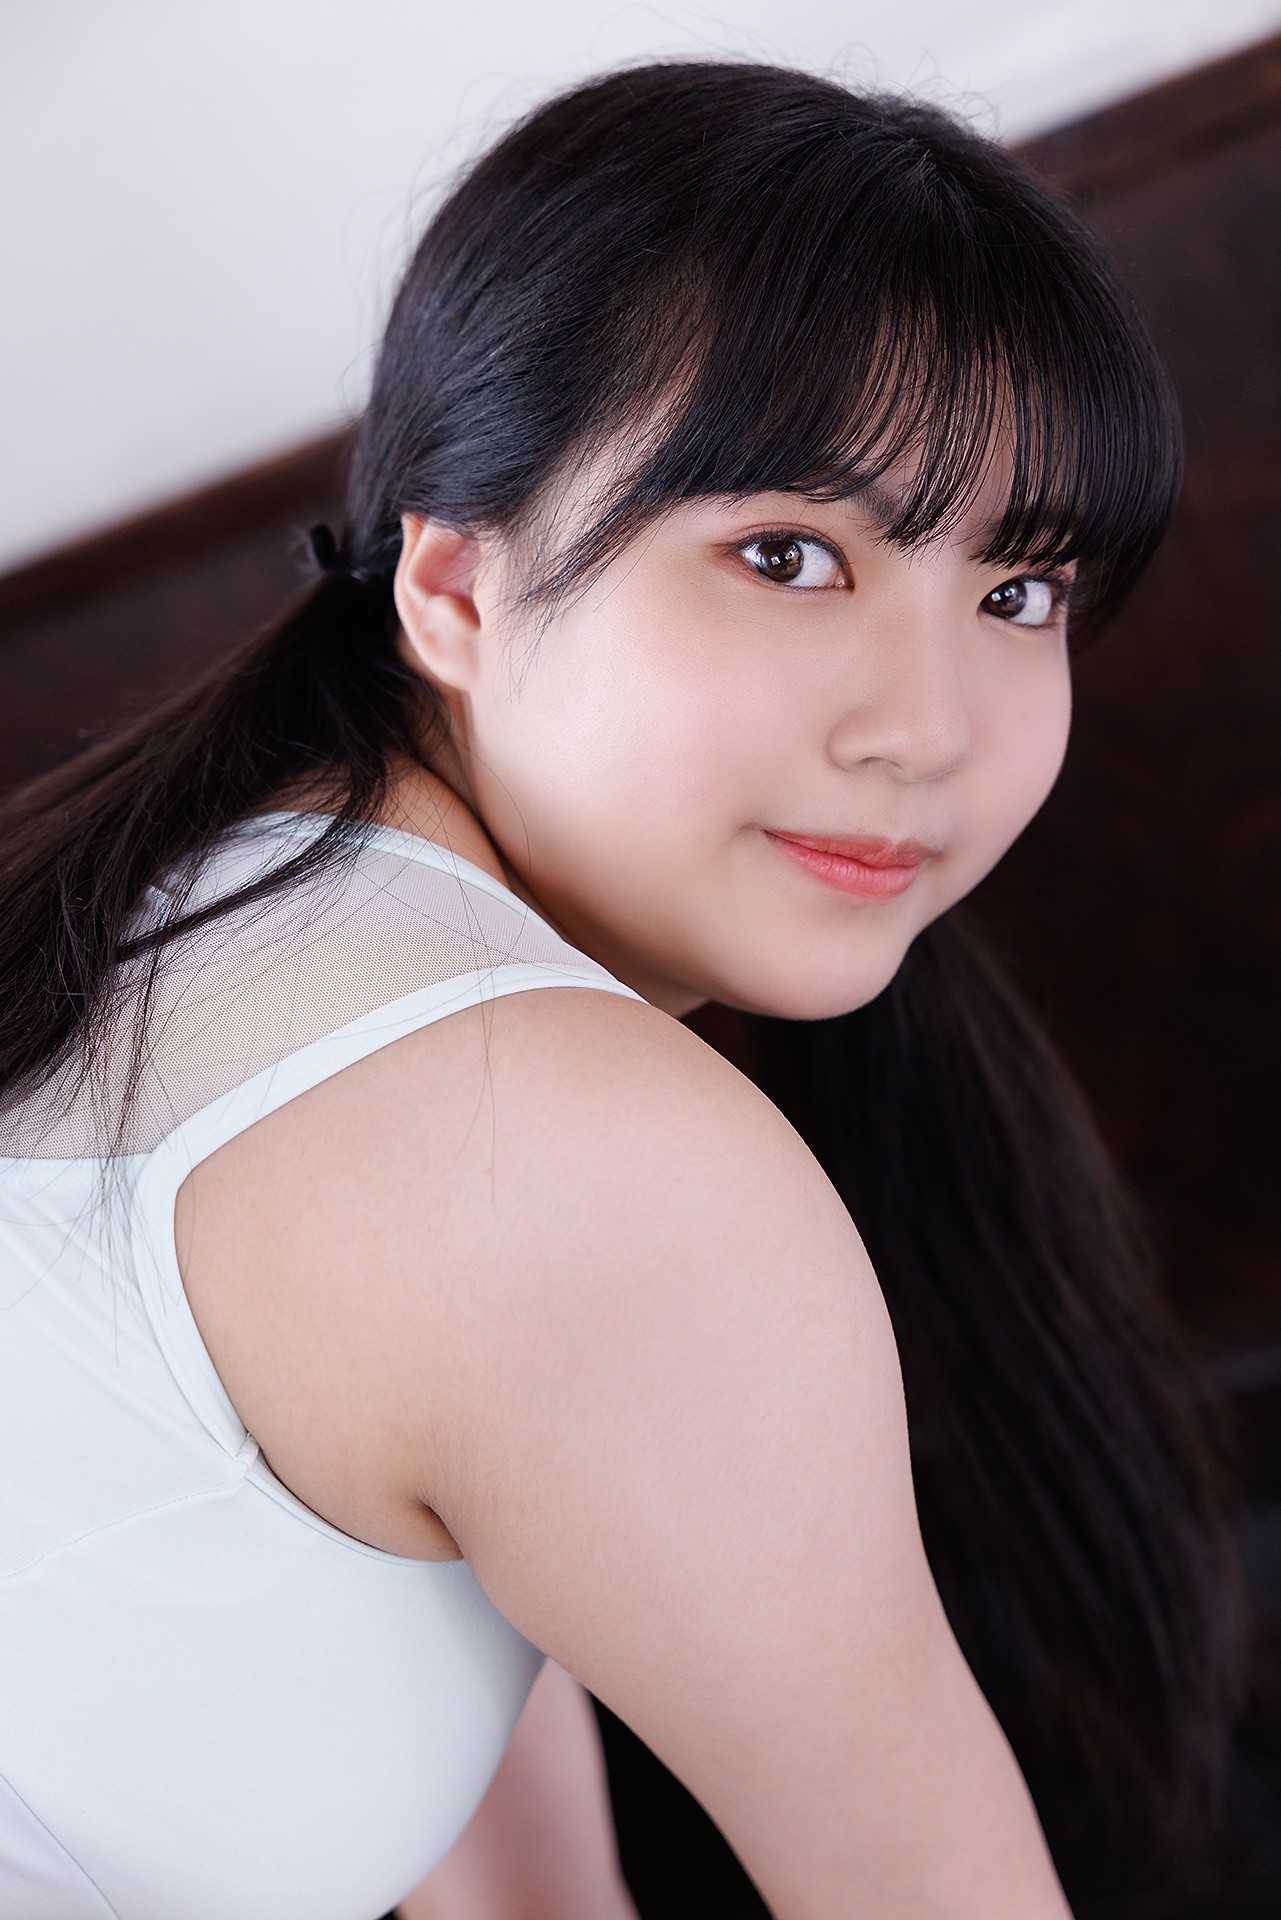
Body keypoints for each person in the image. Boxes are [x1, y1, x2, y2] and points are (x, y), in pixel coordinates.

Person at [0, 55, 1251, 1920]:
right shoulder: (561, 1154)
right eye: (785, 555)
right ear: (454, 586)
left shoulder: (203, 888)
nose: (924, 729)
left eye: (1018, 592)